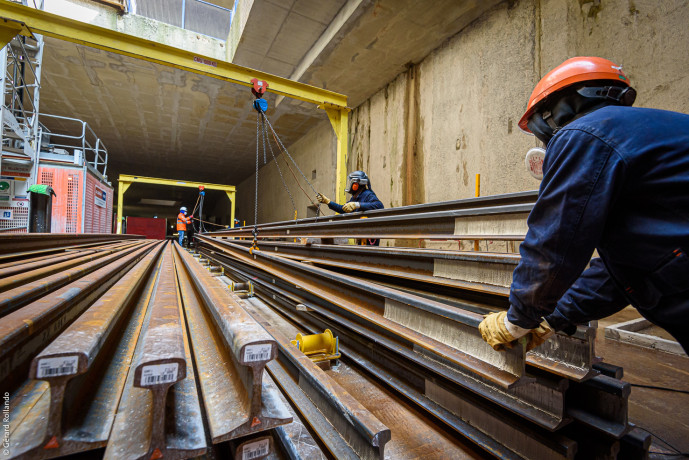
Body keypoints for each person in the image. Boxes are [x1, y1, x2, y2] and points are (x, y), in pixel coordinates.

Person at [478, 56, 689, 354]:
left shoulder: (581, 134)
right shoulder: (654, 132)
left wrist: (518, 320)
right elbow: (620, 273)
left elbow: (553, 240)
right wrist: (552, 319)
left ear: (551, 114)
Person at [316, 170, 384, 245]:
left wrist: (357, 205)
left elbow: (379, 206)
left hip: (370, 237)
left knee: (369, 255)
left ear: (356, 184)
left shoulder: (367, 194)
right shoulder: (355, 198)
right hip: (362, 235)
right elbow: (343, 209)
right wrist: (328, 202)